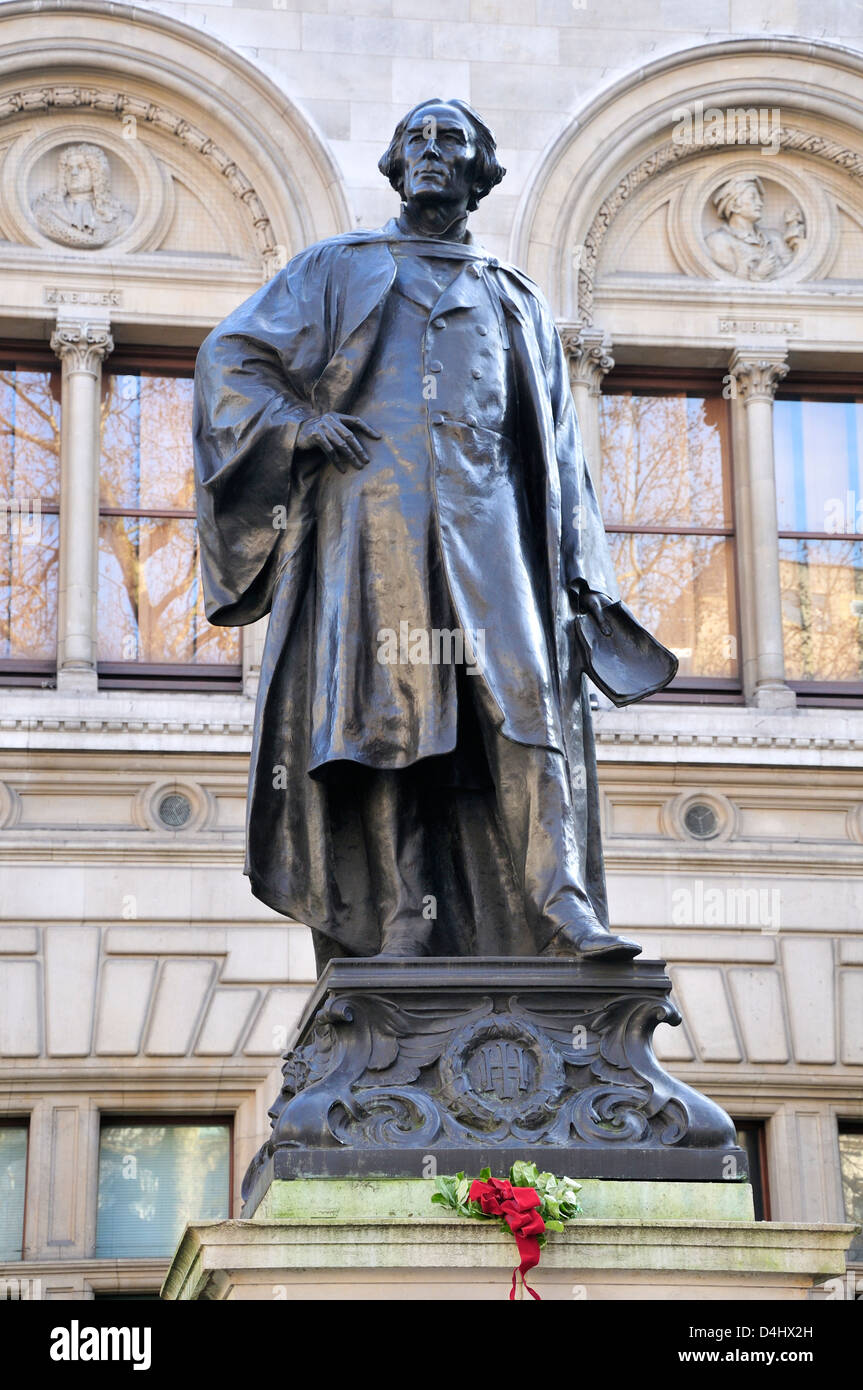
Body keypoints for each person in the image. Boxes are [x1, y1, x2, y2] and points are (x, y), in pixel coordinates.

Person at [194, 99, 672, 972]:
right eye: (414, 137)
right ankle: (404, 918)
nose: (430, 151)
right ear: (393, 162)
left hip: (494, 537)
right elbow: (230, 361)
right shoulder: (334, 271)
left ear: (478, 171)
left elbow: (559, 451)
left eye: (450, 140)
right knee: (392, 718)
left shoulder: (511, 295)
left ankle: (562, 903)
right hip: (375, 531)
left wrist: (581, 573)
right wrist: (299, 426)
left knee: (527, 709)